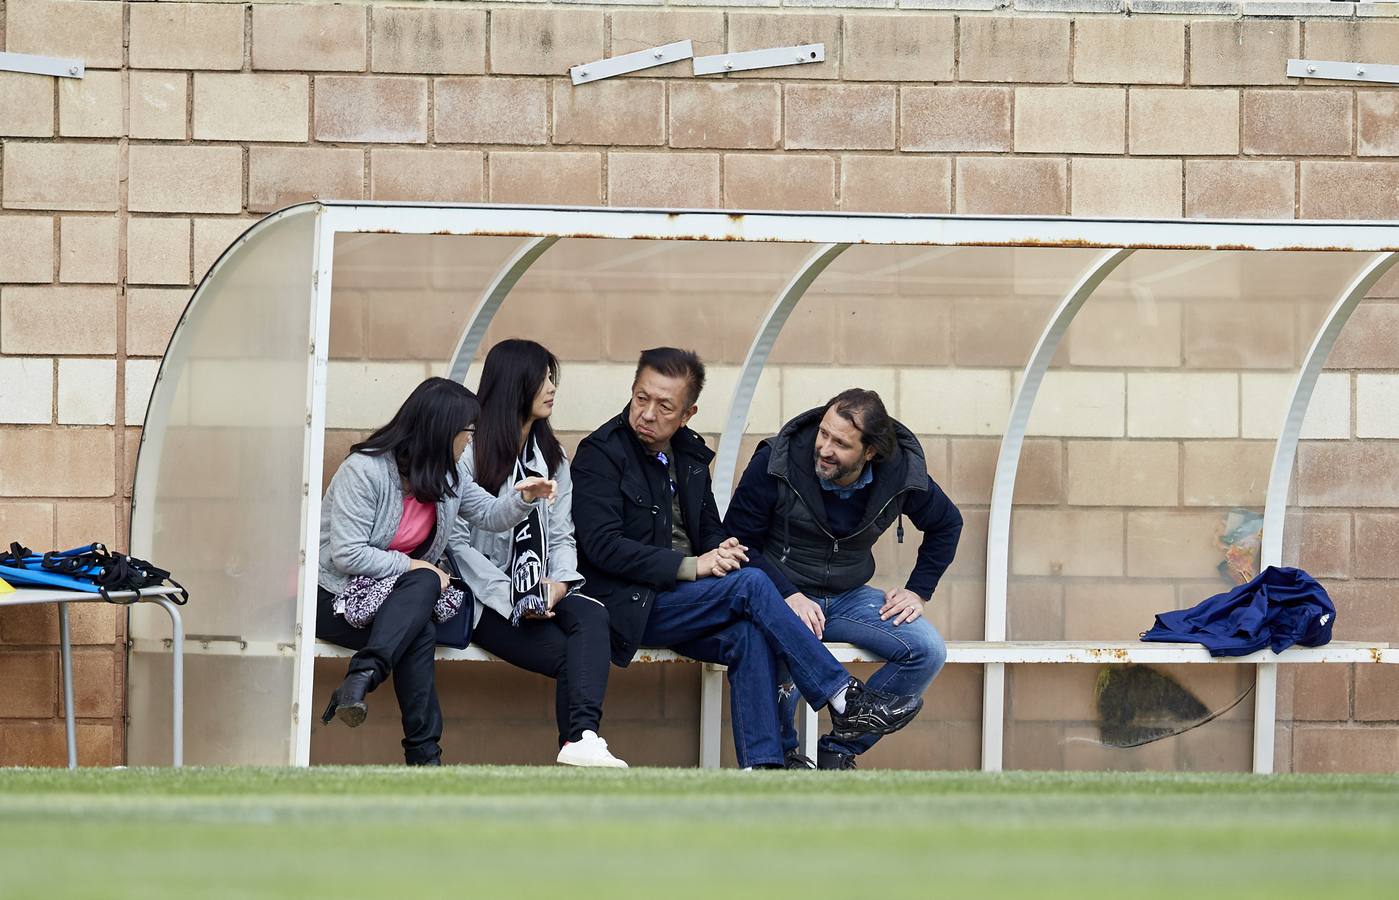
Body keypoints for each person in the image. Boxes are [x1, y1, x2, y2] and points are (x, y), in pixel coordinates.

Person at [571, 347, 923, 770]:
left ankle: (764, 766)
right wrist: (693, 566)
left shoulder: (690, 454)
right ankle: (844, 698)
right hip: (628, 606)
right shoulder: (600, 454)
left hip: (683, 601)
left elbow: (709, 529)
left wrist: (723, 549)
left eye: (664, 405)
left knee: (747, 634)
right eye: (641, 398)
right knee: (753, 584)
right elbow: (602, 547)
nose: (647, 413)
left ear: (687, 413)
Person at [317, 377, 556, 766]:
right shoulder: (365, 470)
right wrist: (414, 565)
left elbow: (489, 515)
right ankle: (424, 756)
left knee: (419, 618)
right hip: (334, 597)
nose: (472, 442)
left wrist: (524, 498)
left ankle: (361, 683)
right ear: (442, 431)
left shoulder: (449, 474)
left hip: (395, 603)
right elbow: (346, 555)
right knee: (422, 605)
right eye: (469, 432)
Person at [724, 388, 962, 770]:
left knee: (927, 650)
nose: (824, 448)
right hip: (780, 595)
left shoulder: (900, 473)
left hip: (849, 596)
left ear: (870, 452)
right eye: (823, 433)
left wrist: (919, 591)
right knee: (775, 640)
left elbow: (947, 523)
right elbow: (737, 541)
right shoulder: (776, 461)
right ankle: (785, 760)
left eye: (840, 443)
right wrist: (786, 594)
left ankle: (838, 751)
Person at [448, 340, 625, 768]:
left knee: (593, 614)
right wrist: (516, 597)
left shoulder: (551, 456)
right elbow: (456, 547)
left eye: (552, 378)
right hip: (485, 599)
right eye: (543, 379)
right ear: (515, 385)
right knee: (571, 659)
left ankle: (583, 740)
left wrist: (559, 585)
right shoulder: (469, 454)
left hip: (543, 590)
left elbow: (563, 535)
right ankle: (578, 744)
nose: (551, 388)